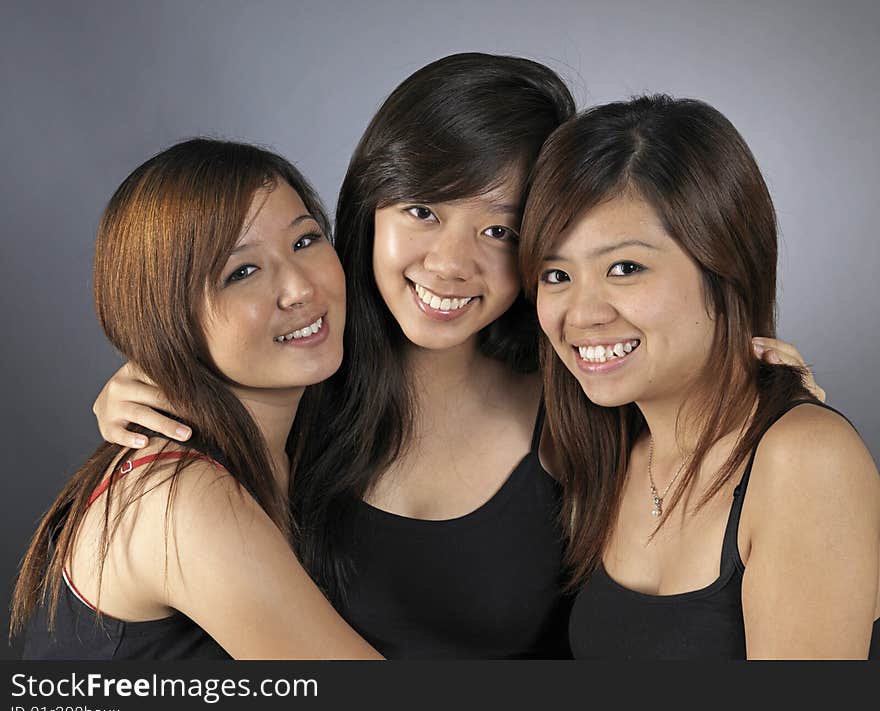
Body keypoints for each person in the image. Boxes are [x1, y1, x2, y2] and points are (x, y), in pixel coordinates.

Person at [88, 57, 823, 659]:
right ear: (371, 203)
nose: (448, 264)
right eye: (423, 210)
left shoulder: (588, 401)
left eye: (500, 232)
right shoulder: (294, 373)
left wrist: (767, 420)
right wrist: (157, 375)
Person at [519, 94, 880, 659]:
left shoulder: (804, 460)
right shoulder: (610, 457)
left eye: (625, 268)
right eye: (556, 274)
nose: (582, 313)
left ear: (726, 266)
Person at [11, 139, 381, 659]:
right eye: (242, 272)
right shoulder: (179, 496)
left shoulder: (309, 433)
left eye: (305, 241)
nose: (299, 287)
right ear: (168, 318)